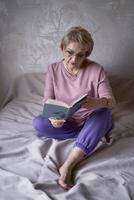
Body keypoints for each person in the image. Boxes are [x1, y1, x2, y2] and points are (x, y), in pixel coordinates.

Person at [33, 26, 116, 190]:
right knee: (38, 123)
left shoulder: (96, 70)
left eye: (80, 55)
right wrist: (53, 117)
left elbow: (111, 102)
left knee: (104, 113)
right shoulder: (53, 69)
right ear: (62, 48)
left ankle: (68, 166)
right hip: (66, 122)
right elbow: (48, 99)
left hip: (90, 118)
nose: (73, 59)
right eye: (69, 52)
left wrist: (97, 102)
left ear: (87, 54)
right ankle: (91, 135)